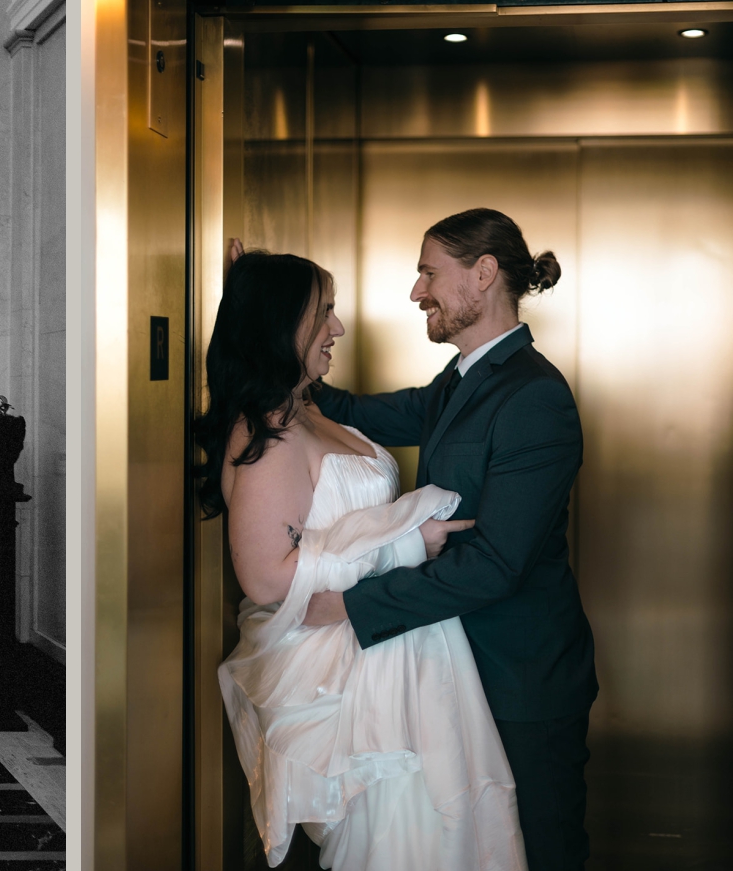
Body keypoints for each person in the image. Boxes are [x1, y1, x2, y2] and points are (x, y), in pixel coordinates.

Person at [201, 251, 527, 870]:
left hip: (387, 645)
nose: (338, 327)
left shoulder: (308, 414)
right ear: (281, 323)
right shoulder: (268, 431)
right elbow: (267, 576)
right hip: (335, 671)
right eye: (324, 311)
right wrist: (405, 545)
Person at [304, 208, 597, 871]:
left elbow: (496, 564)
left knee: (540, 850)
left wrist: (351, 603)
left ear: (483, 272)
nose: (416, 292)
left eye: (428, 272)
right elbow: (349, 413)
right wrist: (272, 328)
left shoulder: (535, 397)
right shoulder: (461, 379)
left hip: (523, 681)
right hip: (464, 671)